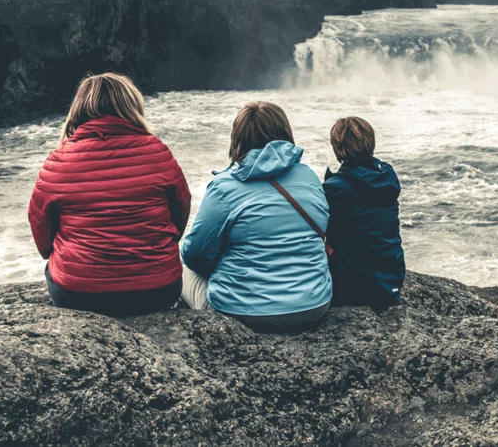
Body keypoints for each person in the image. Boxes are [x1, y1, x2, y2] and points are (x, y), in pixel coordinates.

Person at [27, 73, 191, 316]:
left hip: (79, 294)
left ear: (79, 109)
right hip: (157, 290)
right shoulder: (157, 152)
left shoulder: (60, 160)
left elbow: (41, 229)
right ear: (131, 106)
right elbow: (180, 213)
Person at [180, 101, 332, 331]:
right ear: (285, 134)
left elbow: (195, 255)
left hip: (243, 314)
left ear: (238, 138)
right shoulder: (309, 177)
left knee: (178, 267)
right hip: (314, 305)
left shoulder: (225, 186)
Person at [323, 116, 405, 308]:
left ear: (337, 148)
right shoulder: (386, 175)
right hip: (391, 280)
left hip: (356, 288)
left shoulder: (337, 188)